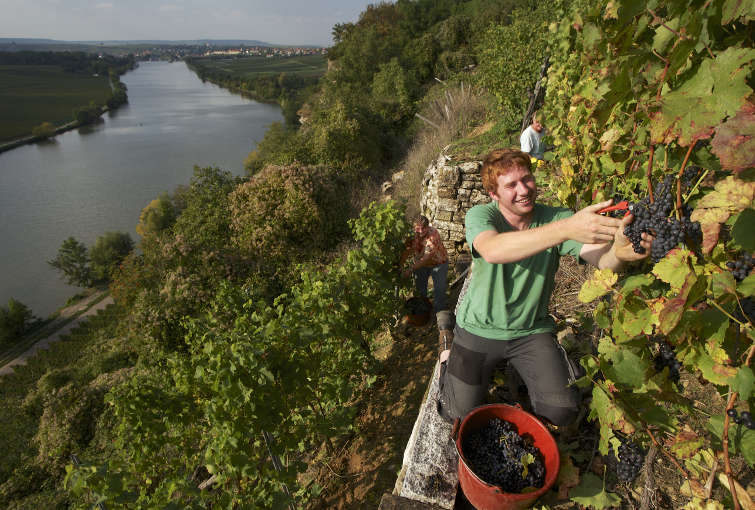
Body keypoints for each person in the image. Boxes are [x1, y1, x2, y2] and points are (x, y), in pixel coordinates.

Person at [437, 148, 653, 427]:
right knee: (454, 415)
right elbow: (492, 249)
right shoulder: (482, 216)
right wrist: (565, 229)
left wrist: (620, 254)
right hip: (478, 329)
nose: (523, 190)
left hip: (531, 331)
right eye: (511, 185)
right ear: (494, 194)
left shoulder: (556, 217)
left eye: (526, 179)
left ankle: (523, 375)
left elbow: (603, 260)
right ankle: (447, 357)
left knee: (562, 411)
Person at [400, 216, 453, 344]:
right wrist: (400, 264)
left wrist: (409, 270)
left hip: (438, 264)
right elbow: (408, 250)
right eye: (418, 228)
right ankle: (423, 313)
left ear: (428, 227)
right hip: (421, 265)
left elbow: (426, 259)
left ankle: (439, 319)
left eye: (423, 228)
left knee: (439, 291)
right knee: (420, 290)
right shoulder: (413, 234)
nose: (421, 231)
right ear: (414, 227)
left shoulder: (433, 235)